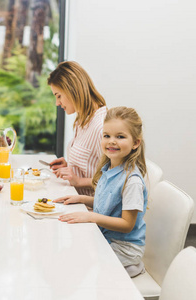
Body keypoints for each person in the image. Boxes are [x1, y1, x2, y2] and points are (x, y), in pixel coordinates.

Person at [54, 107, 148, 278]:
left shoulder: (131, 181)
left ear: (135, 143)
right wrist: (81, 198)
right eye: (107, 136)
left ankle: (131, 267)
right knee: (70, 247)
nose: (112, 141)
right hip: (108, 237)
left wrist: (91, 217)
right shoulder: (109, 168)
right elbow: (108, 201)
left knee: (75, 260)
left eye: (120, 137)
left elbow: (127, 224)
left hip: (124, 247)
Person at [47, 61, 107, 195]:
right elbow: (93, 166)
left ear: (72, 89)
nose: (57, 103)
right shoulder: (83, 120)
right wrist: (70, 167)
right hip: (76, 198)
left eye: (59, 96)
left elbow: (114, 181)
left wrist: (78, 181)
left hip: (91, 208)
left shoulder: (101, 127)